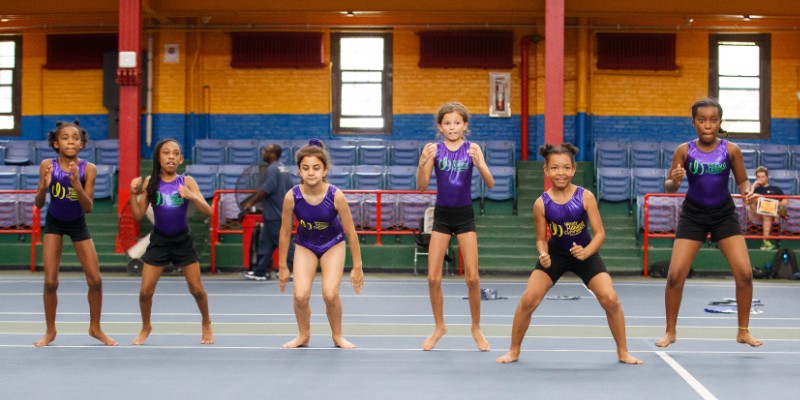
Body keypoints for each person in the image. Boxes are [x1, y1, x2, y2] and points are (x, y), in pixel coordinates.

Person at [496, 143, 642, 364]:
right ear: (546, 171)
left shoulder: (586, 197)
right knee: (528, 299)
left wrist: (586, 252)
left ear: (573, 170)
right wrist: (543, 254)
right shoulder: (540, 204)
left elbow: (600, 234)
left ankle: (623, 351)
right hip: (556, 255)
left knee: (610, 299)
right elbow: (541, 239)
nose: (560, 173)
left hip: (586, 253)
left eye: (565, 168)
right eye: (554, 168)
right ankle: (514, 350)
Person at [656, 98, 762, 348]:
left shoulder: (731, 150)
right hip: (693, 215)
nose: (707, 125)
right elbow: (669, 187)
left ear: (720, 122)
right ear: (693, 122)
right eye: (702, 120)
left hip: (724, 214)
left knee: (745, 274)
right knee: (674, 276)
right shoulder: (684, 150)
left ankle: (743, 331)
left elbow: (743, 181)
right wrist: (675, 179)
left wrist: (747, 192)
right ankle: (670, 332)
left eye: (713, 120)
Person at [417, 102, 494, 351]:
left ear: (465, 125)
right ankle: (439, 326)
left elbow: (490, 184)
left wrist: (480, 163)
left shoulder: (472, 149)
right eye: (447, 123)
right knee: (432, 277)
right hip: (441, 217)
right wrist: (422, 162)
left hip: (464, 216)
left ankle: (476, 328)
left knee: (472, 277)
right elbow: (421, 186)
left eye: (457, 123)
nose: (452, 127)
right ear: (440, 127)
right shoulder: (435, 150)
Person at [33, 121, 117, 347]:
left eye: (75, 138)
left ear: (82, 143)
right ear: (55, 143)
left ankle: (95, 328)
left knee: (96, 280)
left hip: (77, 223)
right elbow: (39, 203)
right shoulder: (47, 165)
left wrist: (76, 185)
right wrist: (44, 186)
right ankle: (50, 331)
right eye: (65, 137)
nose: (71, 141)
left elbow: (87, 207)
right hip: (54, 224)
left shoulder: (88, 168)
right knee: (50, 281)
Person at [278, 139, 364, 349]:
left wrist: (357, 266)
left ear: (325, 170)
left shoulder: (336, 196)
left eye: (316, 168)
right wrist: (282, 265)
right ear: (299, 171)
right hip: (305, 245)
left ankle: (337, 336)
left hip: (332, 244)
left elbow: (351, 232)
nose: (311, 172)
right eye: (305, 168)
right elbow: (284, 231)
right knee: (300, 295)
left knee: (330, 293)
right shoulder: (292, 197)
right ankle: (303, 335)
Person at [129, 139, 214, 345]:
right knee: (145, 291)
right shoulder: (150, 182)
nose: (171, 157)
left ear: (181, 159)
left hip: (182, 240)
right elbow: (139, 214)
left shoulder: (187, 181)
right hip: (159, 240)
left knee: (196, 289)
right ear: (159, 157)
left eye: (176, 153)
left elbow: (208, 211)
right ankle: (146, 326)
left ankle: (206, 322)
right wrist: (133, 193)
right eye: (166, 153)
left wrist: (191, 195)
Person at [241, 144, 295, 280]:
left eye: (265, 151)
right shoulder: (284, 169)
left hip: (276, 214)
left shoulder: (272, 169)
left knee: (284, 244)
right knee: (266, 243)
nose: (263, 153)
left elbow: (265, 190)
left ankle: (293, 270)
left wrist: (250, 203)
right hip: (278, 214)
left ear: (272, 154)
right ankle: (260, 271)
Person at [748, 166, 788, 250]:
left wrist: (772, 204)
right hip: (757, 214)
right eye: (758, 177)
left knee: (767, 213)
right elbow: (749, 201)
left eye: (762, 176)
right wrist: (753, 186)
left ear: (766, 177)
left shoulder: (775, 189)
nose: (760, 178)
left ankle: (765, 242)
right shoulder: (756, 190)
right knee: (755, 196)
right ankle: (766, 242)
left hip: (773, 215)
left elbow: (785, 202)